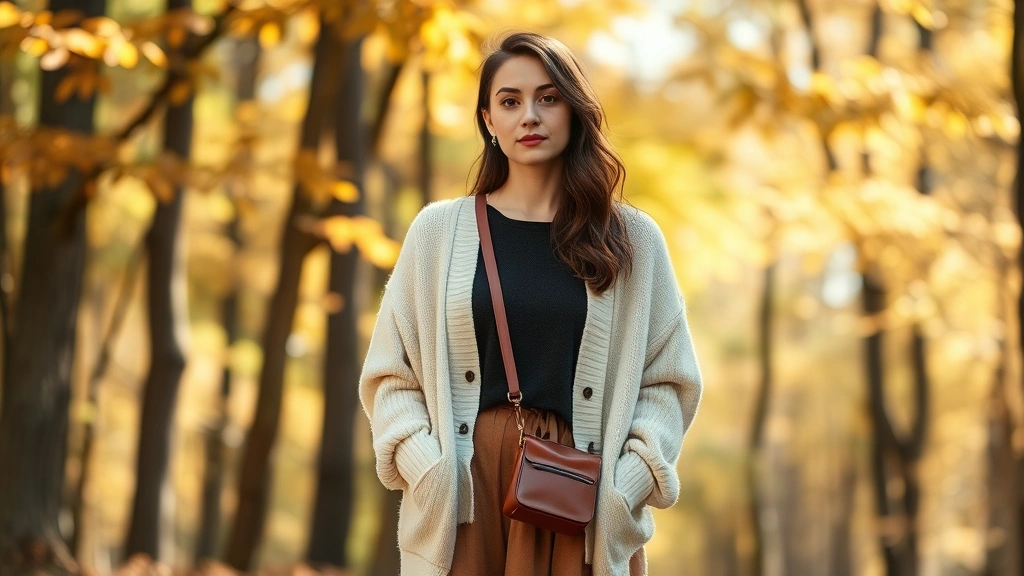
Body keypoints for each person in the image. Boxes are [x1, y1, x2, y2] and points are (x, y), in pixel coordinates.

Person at [358, 31, 702, 576]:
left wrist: (626, 483)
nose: (530, 116)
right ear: (488, 120)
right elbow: (390, 375)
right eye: (510, 101)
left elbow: (668, 381)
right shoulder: (437, 233)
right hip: (466, 495)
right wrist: (427, 467)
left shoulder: (631, 239)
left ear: (574, 109)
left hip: (582, 495)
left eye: (548, 98)